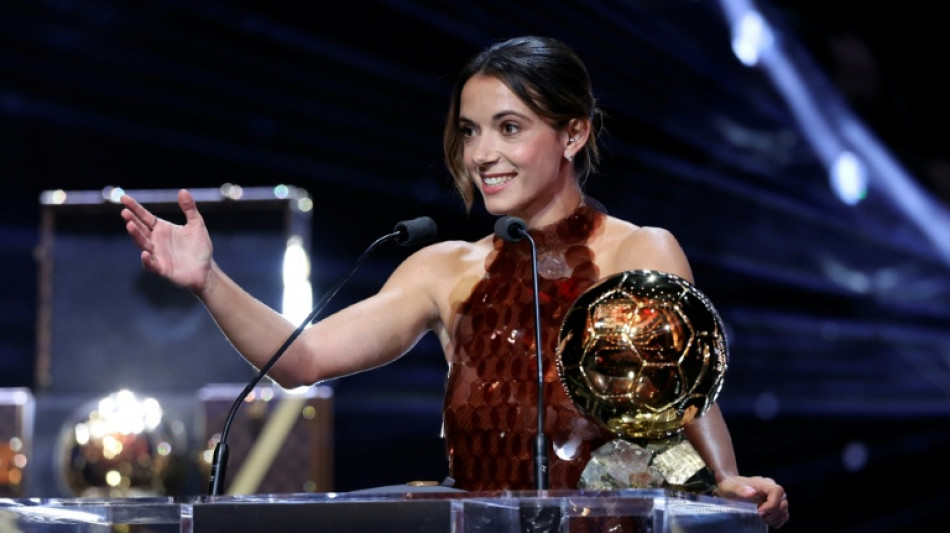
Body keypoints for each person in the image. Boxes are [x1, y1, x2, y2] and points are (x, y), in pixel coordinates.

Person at [120, 35, 789, 528]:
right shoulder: (443, 269)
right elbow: (302, 359)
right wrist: (208, 280)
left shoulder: (642, 250)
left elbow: (687, 407)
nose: (481, 154)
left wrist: (727, 483)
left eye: (509, 128)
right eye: (470, 131)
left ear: (574, 133)